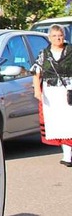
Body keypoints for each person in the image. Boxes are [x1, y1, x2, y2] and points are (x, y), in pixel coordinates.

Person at [32, 24, 72, 167]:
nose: (57, 38)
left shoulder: (71, 51)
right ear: (49, 38)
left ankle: (68, 156)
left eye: (59, 35)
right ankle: (67, 154)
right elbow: (36, 73)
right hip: (51, 92)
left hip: (69, 92)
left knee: (69, 123)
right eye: (54, 36)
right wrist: (37, 91)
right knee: (58, 124)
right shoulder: (44, 54)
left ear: (64, 36)